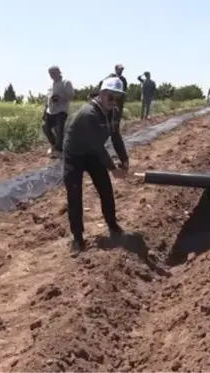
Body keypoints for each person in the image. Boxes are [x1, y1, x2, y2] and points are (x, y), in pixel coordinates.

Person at [62, 77, 131, 256]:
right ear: (101, 94)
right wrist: (113, 168)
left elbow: (115, 137)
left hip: (93, 154)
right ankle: (77, 238)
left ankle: (112, 224)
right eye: (111, 96)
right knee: (75, 194)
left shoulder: (114, 112)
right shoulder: (89, 114)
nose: (114, 101)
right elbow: (98, 147)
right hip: (75, 155)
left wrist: (124, 159)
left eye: (118, 97)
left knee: (106, 189)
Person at [43, 66, 75, 158]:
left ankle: (59, 150)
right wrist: (45, 111)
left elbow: (72, 96)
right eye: (50, 73)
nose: (52, 75)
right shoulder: (50, 86)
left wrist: (61, 98)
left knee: (59, 130)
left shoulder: (66, 82)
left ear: (59, 72)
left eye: (53, 73)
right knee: (45, 128)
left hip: (61, 110)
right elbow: (48, 100)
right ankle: (54, 145)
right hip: (50, 111)